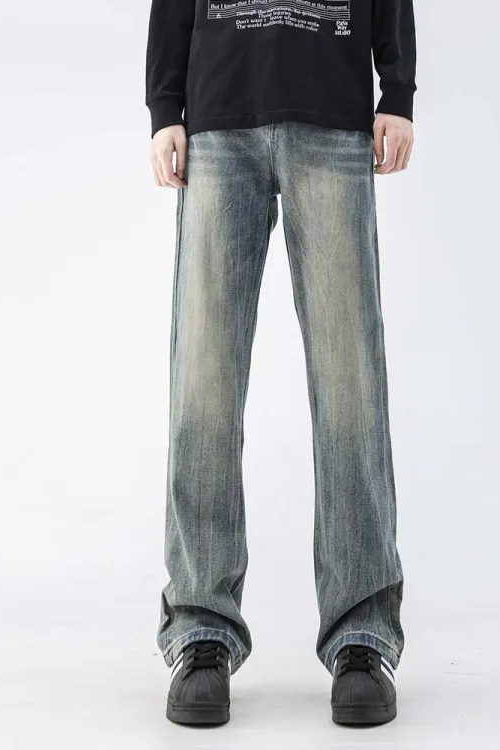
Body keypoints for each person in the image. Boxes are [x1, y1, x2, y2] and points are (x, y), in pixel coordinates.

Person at [145, 0, 416, 727]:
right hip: (217, 121)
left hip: (333, 118)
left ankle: (362, 634)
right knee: (204, 382)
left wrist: (397, 90)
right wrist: (164, 107)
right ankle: (200, 628)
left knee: (350, 382)